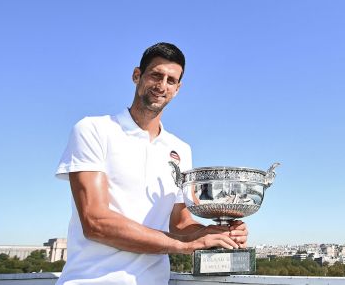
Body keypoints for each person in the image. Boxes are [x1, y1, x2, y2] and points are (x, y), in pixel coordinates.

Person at [55, 42, 248, 285]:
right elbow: (95, 222)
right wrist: (183, 244)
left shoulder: (180, 149)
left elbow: (180, 222)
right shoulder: (93, 130)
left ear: (178, 89)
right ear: (137, 76)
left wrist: (215, 234)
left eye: (170, 80)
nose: (161, 85)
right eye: (156, 75)